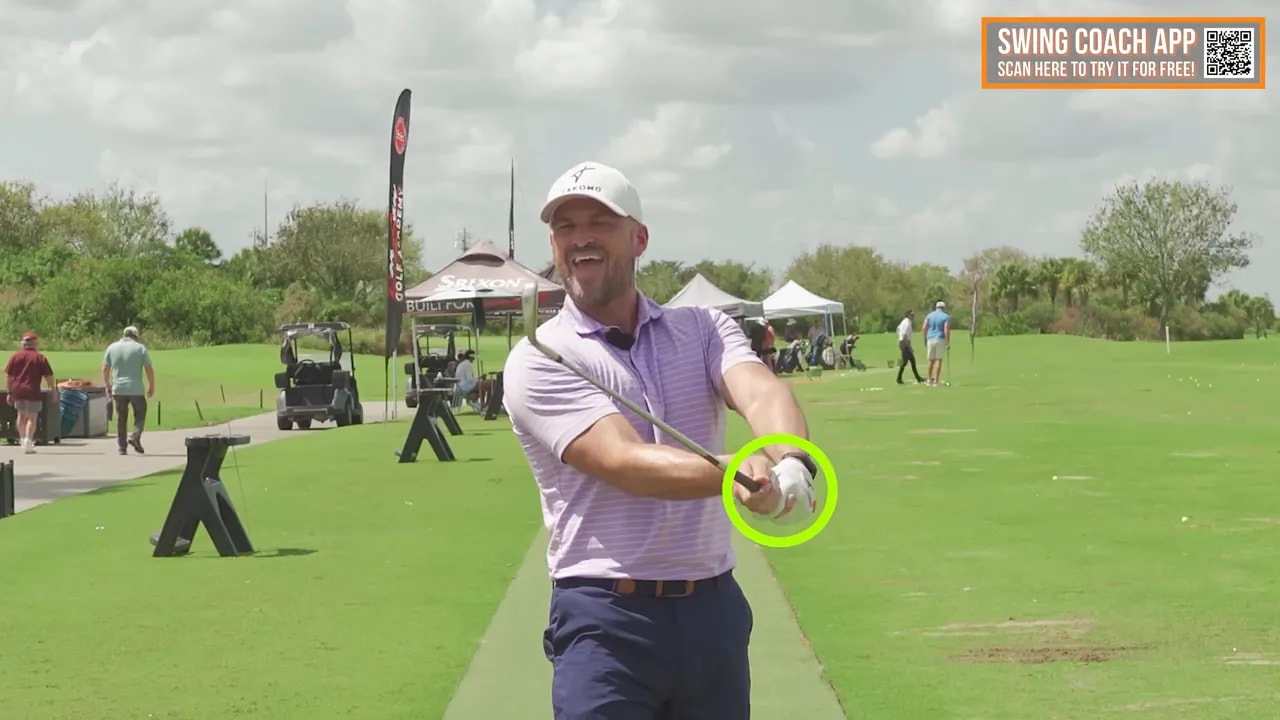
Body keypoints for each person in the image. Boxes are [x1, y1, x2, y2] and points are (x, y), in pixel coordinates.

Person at [502, 160, 819, 720]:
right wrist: (740, 472)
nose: (580, 239)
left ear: (639, 237)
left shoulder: (702, 328)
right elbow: (624, 462)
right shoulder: (542, 356)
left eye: (598, 222)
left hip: (712, 612)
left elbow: (759, 391)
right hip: (605, 618)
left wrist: (791, 459)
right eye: (565, 227)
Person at [102, 325, 155, 455]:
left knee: (121, 418)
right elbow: (148, 368)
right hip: (136, 388)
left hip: (118, 389)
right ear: (136, 336)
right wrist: (151, 385)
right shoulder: (140, 348)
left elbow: (105, 368)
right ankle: (135, 436)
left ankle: (122, 447)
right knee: (140, 414)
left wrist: (108, 384)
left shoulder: (112, 347)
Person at [4, 332, 55, 454]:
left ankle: (22, 439)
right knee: (32, 417)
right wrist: (52, 389)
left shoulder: (14, 357)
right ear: (35, 344)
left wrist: (9, 391)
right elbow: (48, 376)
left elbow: (9, 376)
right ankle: (28, 440)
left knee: (21, 415)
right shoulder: (39, 358)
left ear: (23, 344)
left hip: (17, 390)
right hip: (32, 390)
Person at [923, 300, 952, 387]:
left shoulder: (929, 316)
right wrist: (947, 341)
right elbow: (946, 329)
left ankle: (929, 380)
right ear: (943, 308)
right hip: (940, 338)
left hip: (930, 338)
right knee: (938, 359)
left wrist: (925, 338)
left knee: (930, 360)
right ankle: (935, 380)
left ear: (936, 307)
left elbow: (924, 327)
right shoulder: (946, 316)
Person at [895, 310, 925, 385]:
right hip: (904, 343)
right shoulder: (906, 323)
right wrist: (909, 346)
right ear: (908, 315)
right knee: (905, 362)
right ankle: (899, 378)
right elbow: (905, 336)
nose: (913, 316)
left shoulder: (906, 322)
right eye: (912, 315)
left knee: (911, 360)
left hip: (903, 342)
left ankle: (917, 377)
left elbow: (898, 329)